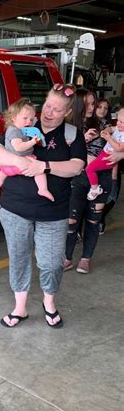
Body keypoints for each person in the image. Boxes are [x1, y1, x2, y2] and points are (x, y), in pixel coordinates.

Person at [0, 83, 86, 328]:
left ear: (67, 114)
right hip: (13, 207)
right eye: (48, 106)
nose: (49, 113)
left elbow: (77, 166)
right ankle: (20, 308)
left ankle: (49, 303)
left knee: (52, 262)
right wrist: (20, 162)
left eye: (57, 110)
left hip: (52, 213)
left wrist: (44, 167)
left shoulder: (72, 134)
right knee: (19, 257)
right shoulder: (24, 125)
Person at [64, 89, 113, 274]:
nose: (92, 108)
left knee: (93, 220)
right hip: (76, 180)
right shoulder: (67, 127)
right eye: (88, 104)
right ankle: (67, 258)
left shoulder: (103, 125)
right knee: (71, 220)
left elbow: (115, 148)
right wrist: (82, 142)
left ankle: (86, 259)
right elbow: (62, 155)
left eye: (94, 104)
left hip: (101, 179)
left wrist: (118, 153)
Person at [0, 98, 54, 202]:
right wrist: (33, 142)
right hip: (20, 161)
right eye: (25, 118)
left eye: (31, 119)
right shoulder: (15, 132)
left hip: (6, 167)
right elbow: (18, 147)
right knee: (40, 170)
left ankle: (0, 180)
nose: (29, 121)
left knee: (2, 168)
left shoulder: (16, 129)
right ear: (14, 118)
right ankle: (43, 189)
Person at [86, 108, 124, 199]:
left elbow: (119, 148)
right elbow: (111, 128)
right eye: (118, 120)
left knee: (90, 169)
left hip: (109, 157)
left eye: (121, 122)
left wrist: (109, 139)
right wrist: (106, 131)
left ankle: (95, 189)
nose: (118, 123)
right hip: (105, 153)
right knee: (94, 168)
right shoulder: (119, 129)